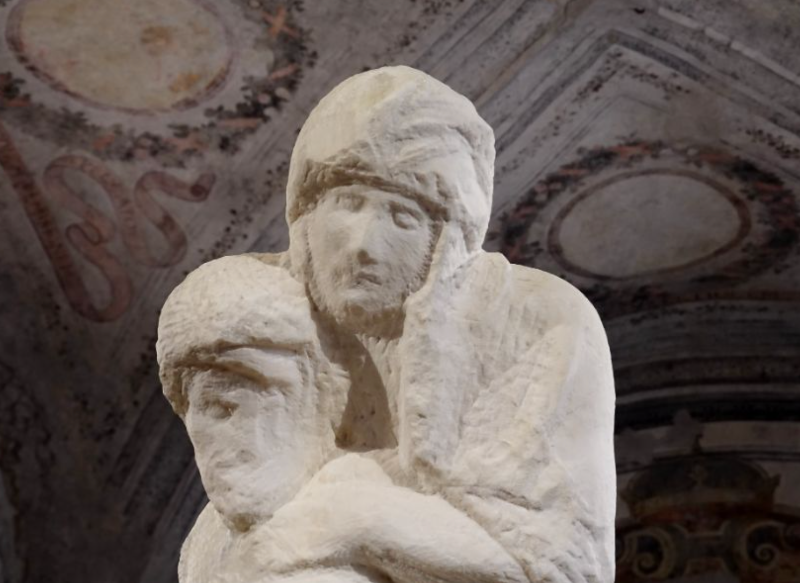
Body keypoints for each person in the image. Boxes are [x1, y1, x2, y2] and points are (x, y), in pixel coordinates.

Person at [251, 66, 617, 583]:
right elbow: (242, 508)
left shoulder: (541, 321)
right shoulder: (261, 315)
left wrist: (357, 516)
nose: (364, 244)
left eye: (402, 217)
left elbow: (561, 563)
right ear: (307, 214)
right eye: (347, 203)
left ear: (445, 243)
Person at [157, 255, 527, 583]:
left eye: (266, 393)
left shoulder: (378, 487)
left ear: (322, 400)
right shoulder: (204, 542)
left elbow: (510, 570)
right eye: (214, 407)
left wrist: (355, 523)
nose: (238, 432)